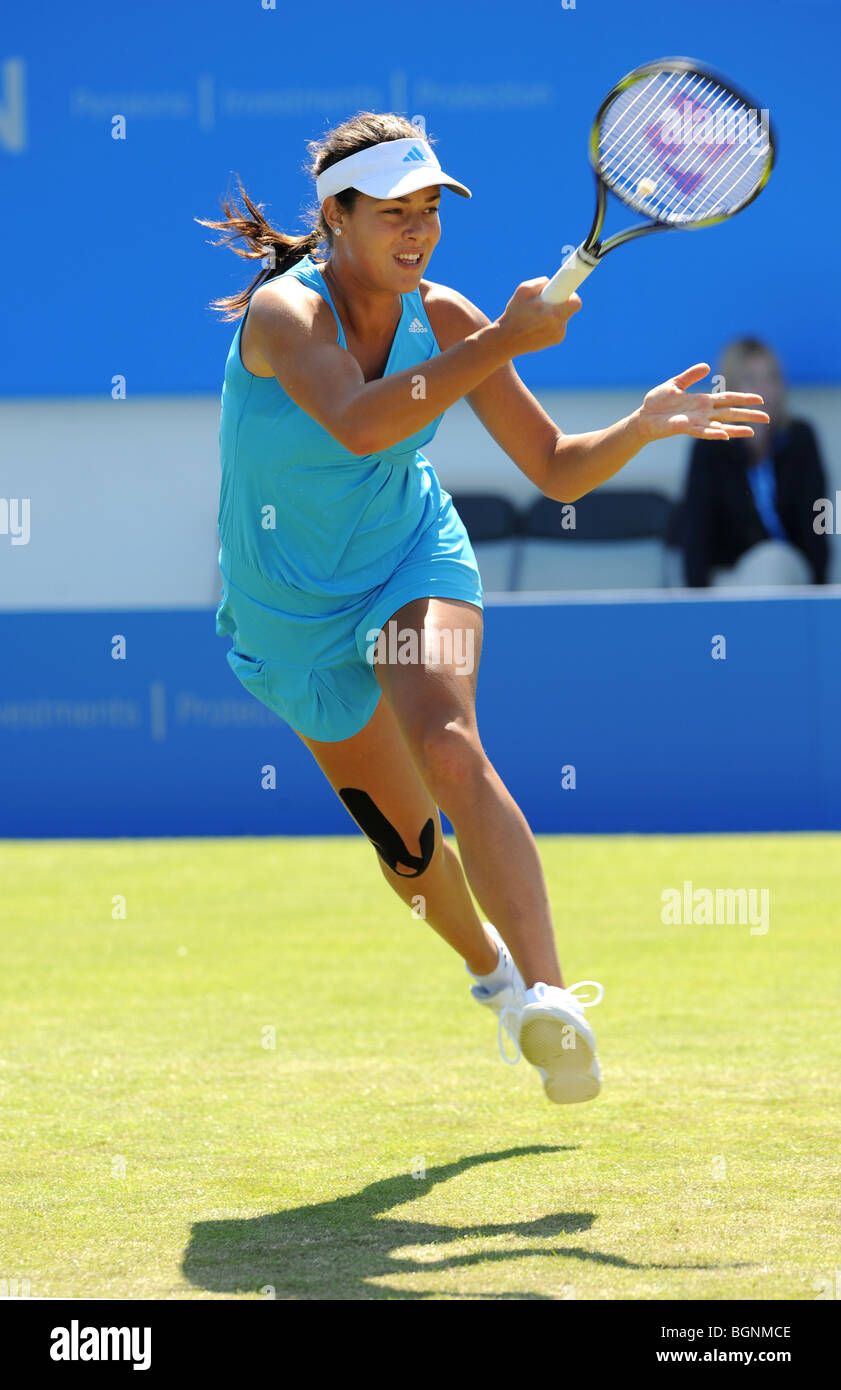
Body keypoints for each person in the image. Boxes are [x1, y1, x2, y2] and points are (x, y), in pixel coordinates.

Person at [197, 112, 767, 1106]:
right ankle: (496, 978)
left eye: (429, 212)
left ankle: (554, 995)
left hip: (407, 554)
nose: (416, 233)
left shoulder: (448, 315)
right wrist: (506, 336)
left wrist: (638, 425)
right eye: (391, 214)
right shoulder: (283, 316)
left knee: (450, 744)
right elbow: (365, 421)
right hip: (287, 613)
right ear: (335, 218)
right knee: (406, 843)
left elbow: (553, 469)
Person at [681, 338, 829, 587]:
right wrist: (699, 605)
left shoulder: (800, 439)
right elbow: (696, 531)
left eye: (771, 378)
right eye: (751, 380)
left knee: (772, 563)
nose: (765, 390)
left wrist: (816, 605)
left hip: (789, 576)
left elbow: (816, 527)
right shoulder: (709, 446)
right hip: (728, 578)